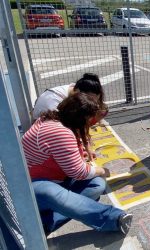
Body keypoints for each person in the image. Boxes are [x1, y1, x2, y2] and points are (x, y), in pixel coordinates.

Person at [22, 93, 132, 235]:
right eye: (88, 119)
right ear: (80, 118)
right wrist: (101, 170)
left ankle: (48, 222)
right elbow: (78, 172)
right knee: (53, 194)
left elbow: (65, 154)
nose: (91, 123)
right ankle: (113, 218)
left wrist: (81, 154)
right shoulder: (60, 132)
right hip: (32, 187)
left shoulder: (53, 118)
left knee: (97, 185)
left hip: (56, 178)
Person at [32, 73, 108, 123]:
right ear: (78, 92)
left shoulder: (75, 88)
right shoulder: (54, 103)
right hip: (46, 129)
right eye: (90, 100)